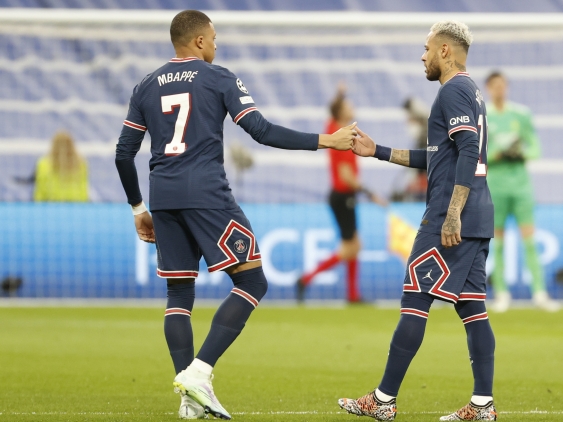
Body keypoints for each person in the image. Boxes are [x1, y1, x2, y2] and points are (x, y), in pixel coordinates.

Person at [114, 10, 356, 420]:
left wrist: (139, 208)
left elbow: (123, 154)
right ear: (199, 41)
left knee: (179, 295)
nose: (216, 43)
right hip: (207, 194)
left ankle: (189, 399)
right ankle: (200, 372)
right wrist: (327, 140)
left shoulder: (146, 85)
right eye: (213, 37)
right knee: (253, 280)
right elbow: (261, 130)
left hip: (163, 197)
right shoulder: (219, 77)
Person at [338, 21, 497, 421]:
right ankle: (483, 404)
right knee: (473, 308)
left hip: (450, 215)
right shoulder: (471, 91)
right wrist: (379, 151)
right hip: (479, 214)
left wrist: (453, 213)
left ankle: (383, 400)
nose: (422, 56)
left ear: (445, 51)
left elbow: (469, 149)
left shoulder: (453, 90)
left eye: (426, 48)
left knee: (415, 298)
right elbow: (440, 156)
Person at [296, 84, 385, 303]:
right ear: (341, 112)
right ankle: (307, 279)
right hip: (343, 197)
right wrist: (370, 193)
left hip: (342, 197)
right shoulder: (343, 139)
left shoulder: (334, 129)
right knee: (351, 247)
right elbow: (346, 176)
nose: (352, 108)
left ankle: (352, 294)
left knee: (354, 245)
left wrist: (340, 94)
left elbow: (332, 113)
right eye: (348, 106)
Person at [485, 71, 559, 313]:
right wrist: (498, 153)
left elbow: (535, 148)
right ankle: (501, 294)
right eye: (495, 85)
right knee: (496, 243)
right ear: (488, 88)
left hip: (521, 186)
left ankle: (539, 293)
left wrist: (521, 153)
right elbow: (477, 154)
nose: (499, 89)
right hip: (496, 186)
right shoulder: (482, 116)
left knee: (529, 240)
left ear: (506, 87)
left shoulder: (521, 114)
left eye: (502, 85)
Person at [34, 131, 88, 202]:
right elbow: (83, 192)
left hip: (52, 205)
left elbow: (40, 192)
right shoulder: (81, 163)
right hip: (75, 205)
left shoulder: (43, 164)